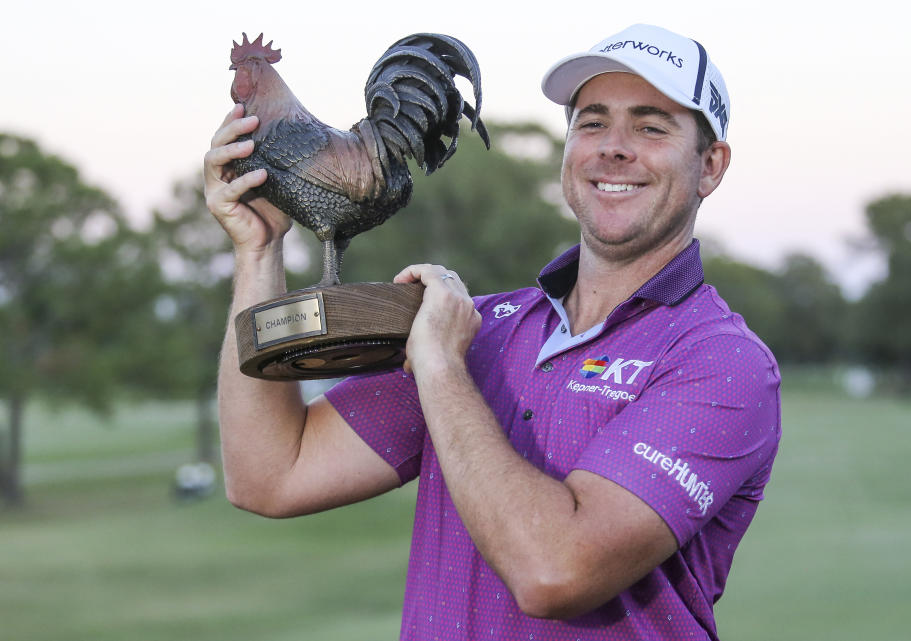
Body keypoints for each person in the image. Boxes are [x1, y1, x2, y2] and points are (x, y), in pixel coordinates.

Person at [204, 23, 781, 641]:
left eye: (651, 126)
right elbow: (268, 474)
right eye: (591, 123)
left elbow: (556, 572)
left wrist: (442, 368)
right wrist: (259, 251)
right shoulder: (480, 330)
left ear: (711, 166)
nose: (613, 147)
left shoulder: (721, 362)